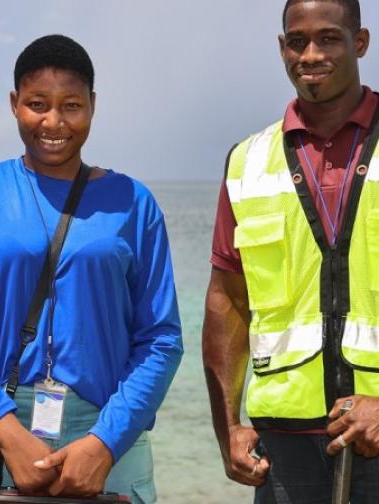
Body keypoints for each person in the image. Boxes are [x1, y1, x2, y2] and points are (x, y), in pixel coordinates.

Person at [0, 34, 183, 503]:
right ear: (13, 104)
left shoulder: (134, 202)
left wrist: (105, 444)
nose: (53, 121)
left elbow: (162, 338)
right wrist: (5, 430)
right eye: (37, 104)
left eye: (71, 105)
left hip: (106, 432)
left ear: (93, 105)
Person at [202, 0, 379, 501]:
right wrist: (228, 429)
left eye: (329, 38)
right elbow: (227, 302)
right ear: (282, 48)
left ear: (360, 42)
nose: (311, 53)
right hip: (284, 450)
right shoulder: (247, 161)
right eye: (298, 41)